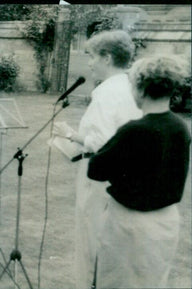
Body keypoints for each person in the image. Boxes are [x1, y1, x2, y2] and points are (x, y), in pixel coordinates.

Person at [50, 30, 143, 288]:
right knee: (110, 237)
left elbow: (102, 141)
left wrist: (72, 135)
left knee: (90, 236)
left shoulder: (106, 92)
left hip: (99, 175)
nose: (89, 62)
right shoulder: (131, 88)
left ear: (107, 58)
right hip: (124, 177)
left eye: (91, 56)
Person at [87, 55, 190, 288]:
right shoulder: (180, 127)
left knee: (118, 282)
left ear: (141, 89)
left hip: (129, 224)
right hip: (165, 221)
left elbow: (96, 169)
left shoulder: (134, 130)